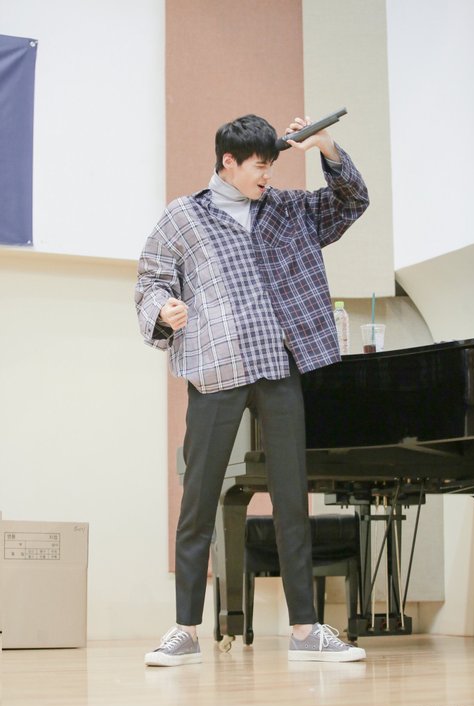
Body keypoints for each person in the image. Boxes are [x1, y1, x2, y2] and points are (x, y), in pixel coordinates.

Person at [135, 113, 369, 666]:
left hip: (279, 365)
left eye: (271, 165)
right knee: (198, 501)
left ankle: (305, 630)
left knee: (292, 499)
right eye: (259, 166)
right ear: (229, 162)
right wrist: (163, 311)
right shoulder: (183, 217)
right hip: (216, 369)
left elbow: (351, 202)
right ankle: (185, 629)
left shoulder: (287, 209)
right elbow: (150, 278)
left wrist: (327, 147)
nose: (268, 175)